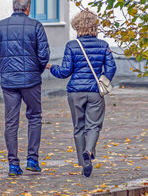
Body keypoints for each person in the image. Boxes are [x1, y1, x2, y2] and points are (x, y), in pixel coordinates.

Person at [45, 10, 117, 177]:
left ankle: (84, 163)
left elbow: (65, 71)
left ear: (77, 26)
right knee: (94, 125)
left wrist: (51, 67)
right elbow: (112, 68)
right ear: (95, 27)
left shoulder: (72, 45)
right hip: (94, 92)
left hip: (75, 92)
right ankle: (89, 151)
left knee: (79, 127)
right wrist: (103, 80)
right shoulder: (103, 45)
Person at [0, 0, 50, 176]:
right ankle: (32, 160)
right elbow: (44, 55)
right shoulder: (36, 25)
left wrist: (3, 69)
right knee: (35, 117)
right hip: (31, 81)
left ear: (13, 7)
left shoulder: (0, 26)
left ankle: (13, 164)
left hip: (9, 82)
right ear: (28, 8)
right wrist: (36, 70)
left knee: (11, 122)